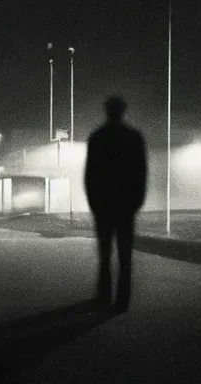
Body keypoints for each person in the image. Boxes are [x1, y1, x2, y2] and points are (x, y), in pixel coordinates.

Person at [84, 95, 147, 312]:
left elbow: (90, 174)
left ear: (106, 111)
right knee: (125, 256)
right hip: (126, 204)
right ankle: (122, 301)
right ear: (123, 111)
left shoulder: (97, 137)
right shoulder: (134, 137)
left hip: (103, 204)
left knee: (104, 255)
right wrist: (137, 201)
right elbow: (141, 172)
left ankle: (103, 296)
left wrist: (93, 203)